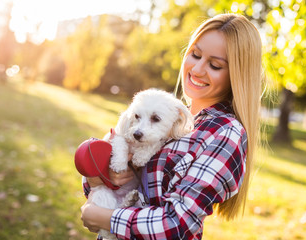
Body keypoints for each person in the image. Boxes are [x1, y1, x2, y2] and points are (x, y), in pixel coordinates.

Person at [81, 13, 263, 239]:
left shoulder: (225, 133)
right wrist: (98, 177)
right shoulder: (168, 113)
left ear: (236, 75)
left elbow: (177, 224)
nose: (197, 70)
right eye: (195, 55)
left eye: (215, 65)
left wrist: (106, 218)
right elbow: (100, 175)